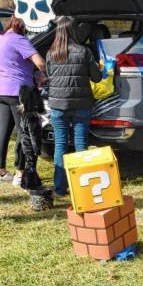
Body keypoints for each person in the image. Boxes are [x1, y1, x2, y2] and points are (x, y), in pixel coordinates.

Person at [46, 16, 102, 196]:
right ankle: (83, 188)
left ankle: (60, 188)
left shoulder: (51, 53)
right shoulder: (84, 52)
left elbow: (49, 75)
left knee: (60, 146)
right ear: (73, 31)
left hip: (58, 105)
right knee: (80, 145)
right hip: (81, 105)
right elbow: (97, 78)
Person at [0, 15, 46, 186]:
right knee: (24, 133)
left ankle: (1, 172)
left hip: (0, 89)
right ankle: (20, 173)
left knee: (4, 131)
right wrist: (44, 73)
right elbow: (40, 62)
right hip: (17, 91)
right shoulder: (18, 39)